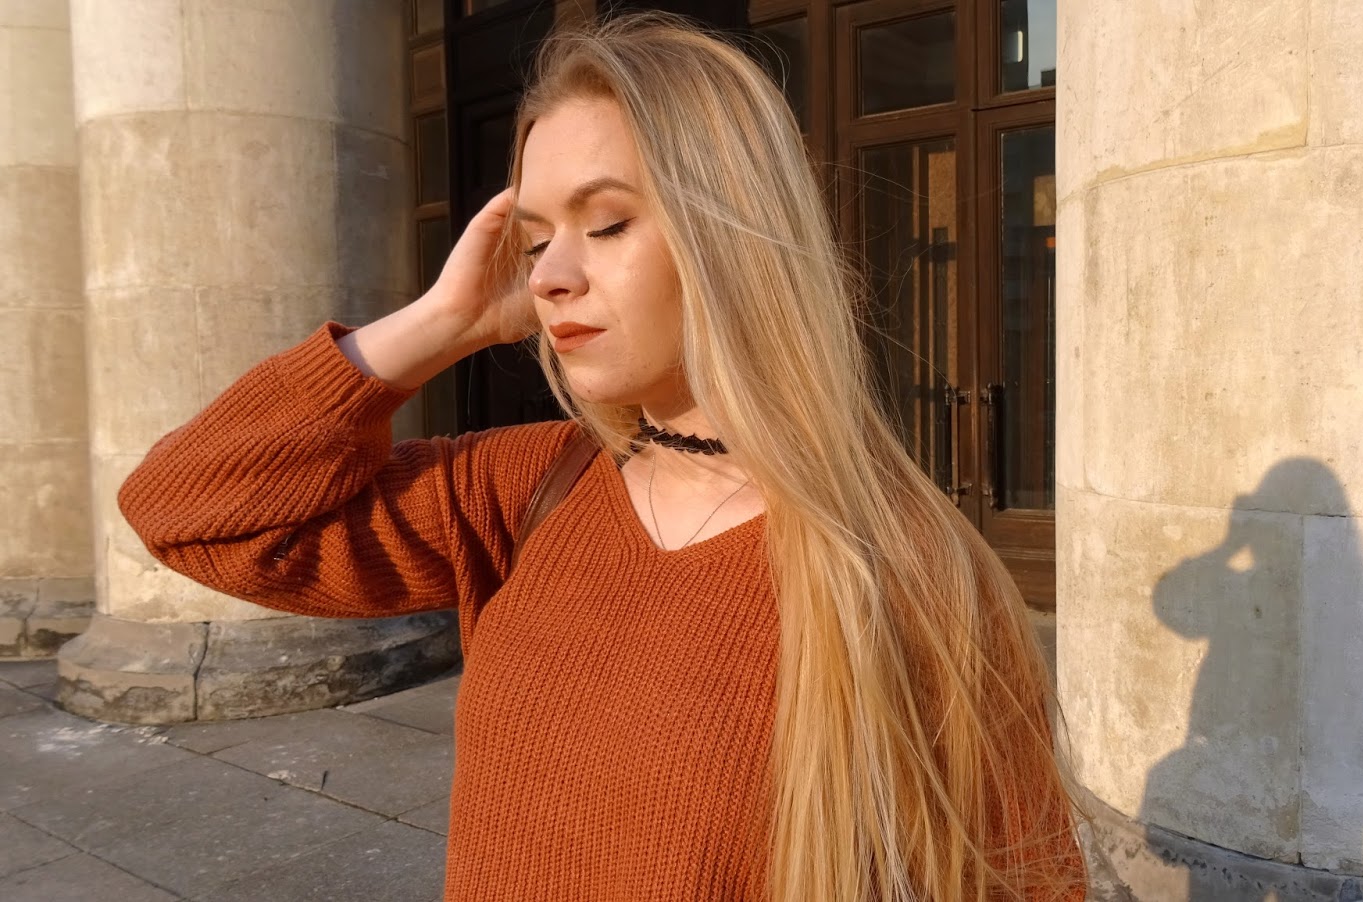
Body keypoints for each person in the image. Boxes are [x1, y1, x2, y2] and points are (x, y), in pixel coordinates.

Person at [118, 13, 1083, 901]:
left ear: (733, 236)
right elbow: (186, 510)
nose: (548, 275)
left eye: (607, 223)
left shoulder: (909, 571)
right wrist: (440, 321)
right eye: (535, 238)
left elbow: (1027, 879)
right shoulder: (523, 490)